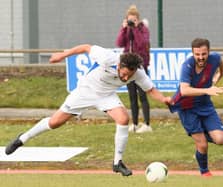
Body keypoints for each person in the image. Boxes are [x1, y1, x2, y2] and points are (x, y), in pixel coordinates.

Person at [5, 44, 172, 176]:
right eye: (125, 74)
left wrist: (164, 99)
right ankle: (23, 138)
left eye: (130, 75)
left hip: (106, 96)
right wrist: (62, 55)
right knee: (55, 122)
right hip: (86, 91)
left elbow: (151, 90)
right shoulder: (108, 57)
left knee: (123, 119)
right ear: (119, 65)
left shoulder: (138, 73)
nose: (127, 78)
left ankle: (117, 163)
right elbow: (85, 47)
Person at [169, 38, 223, 177]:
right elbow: (184, 90)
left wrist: (217, 77)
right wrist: (207, 90)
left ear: (209, 52)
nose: (201, 57)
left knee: (221, 140)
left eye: (204, 54)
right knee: (203, 145)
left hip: (205, 104)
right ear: (193, 53)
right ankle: (205, 172)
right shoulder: (187, 66)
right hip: (186, 106)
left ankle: (203, 134)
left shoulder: (215, 58)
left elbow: (220, 64)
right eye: (197, 54)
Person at [116, 5, 151, 133]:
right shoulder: (126, 29)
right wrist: (123, 29)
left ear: (138, 19)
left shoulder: (143, 29)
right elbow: (120, 43)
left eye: (134, 20)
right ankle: (135, 124)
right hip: (128, 66)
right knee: (132, 97)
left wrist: (136, 28)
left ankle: (147, 124)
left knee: (143, 95)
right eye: (130, 19)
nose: (132, 22)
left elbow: (142, 43)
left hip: (140, 65)